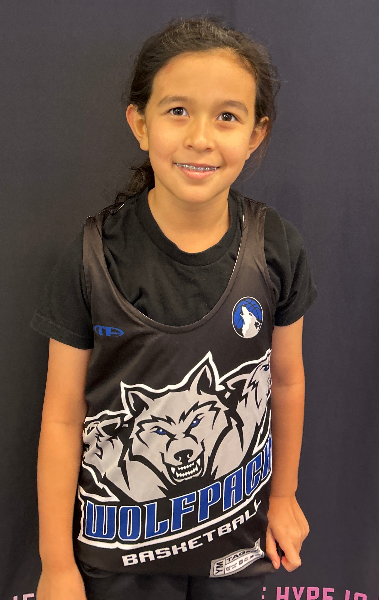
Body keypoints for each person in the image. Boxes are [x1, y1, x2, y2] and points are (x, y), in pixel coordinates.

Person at [32, 14, 318, 600]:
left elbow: (286, 380)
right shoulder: (89, 257)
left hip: (237, 545)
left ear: (255, 134)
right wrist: (56, 564)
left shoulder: (277, 247)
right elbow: (62, 417)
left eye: (227, 116)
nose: (201, 138)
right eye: (178, 110)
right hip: (118, 558)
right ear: (141, 123)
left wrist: (284, 494)